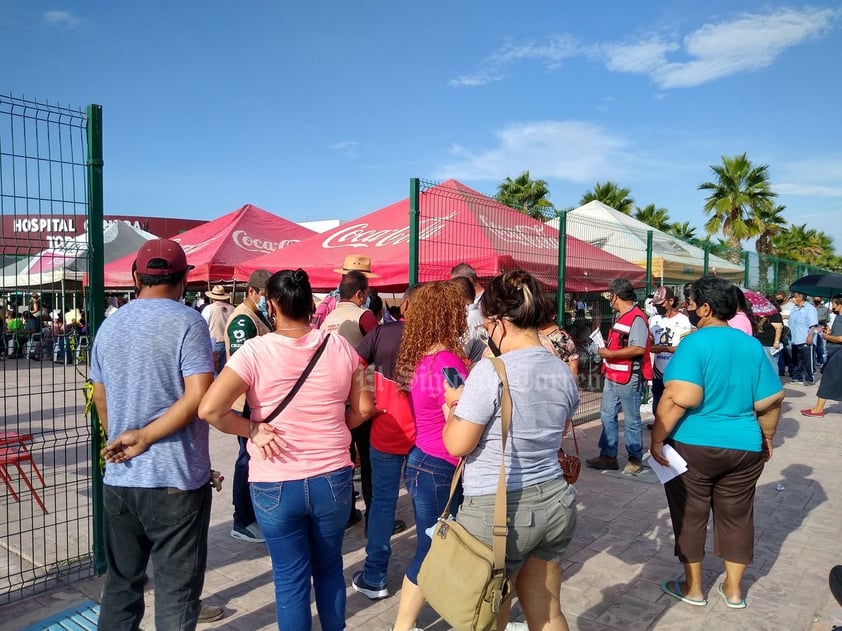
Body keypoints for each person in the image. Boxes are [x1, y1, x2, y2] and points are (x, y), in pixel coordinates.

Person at [199, 268, 374, 631]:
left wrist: (251, 428)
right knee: (329, 570)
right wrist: (335, 426)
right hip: (332, 479)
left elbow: (209, 409)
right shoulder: (339, 346)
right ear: (310, 303)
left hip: (275, 483)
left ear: (272, 304)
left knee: (290, 580)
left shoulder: (254, 352)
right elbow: (365, 408)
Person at [442, 270, 580, 631]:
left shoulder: (491, 371)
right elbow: (558, 427)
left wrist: (453, 411)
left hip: (497, 509)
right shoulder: (562, 370)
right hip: (554, 499)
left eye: (486, 325)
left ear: (499, 323)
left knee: (486, 615)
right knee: (547, 611)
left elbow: (457, 444)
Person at [91, 239, 216, 630]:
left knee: (121, 587)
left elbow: (99, 395)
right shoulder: (188, 322)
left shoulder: (110, 326)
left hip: (121, 479)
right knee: (176, 594)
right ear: (183, 279)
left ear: (135, 278)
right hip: (174, 482)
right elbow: (198, 396)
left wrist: (124, 440)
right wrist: (144, 437)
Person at [650, 276, 784, 609]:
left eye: (691, 303)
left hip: (694, 446)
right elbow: (771, 400)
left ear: (706, 308)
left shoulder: (694, 343)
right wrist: (767, 437)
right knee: (738, 517)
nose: (688, 308)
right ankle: (734, 590)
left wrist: (656, 439)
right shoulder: (750, 345)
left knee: (690, 515)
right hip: (745, 446)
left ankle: (694, 588)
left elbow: (680, 397)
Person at [390, 281, 469, 631]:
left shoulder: (419, 359)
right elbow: (460, 418)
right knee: (432, 550)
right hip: (442, 467)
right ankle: (404, 626)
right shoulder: (448, 363)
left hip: (422, 461)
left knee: (431, 547)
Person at [350, 285, 420, 601]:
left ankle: (376, 575)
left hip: (387, 430)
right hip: (429, 439)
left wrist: (370, 396)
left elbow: (354, 365)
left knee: (382, 504)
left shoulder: (382, 334)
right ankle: (431, 579)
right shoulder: (441, 342)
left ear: (404, 306)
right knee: (428, 508)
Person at [321, 269, 379, 527]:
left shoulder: (327, 319)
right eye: (366, 293)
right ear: (359, 294)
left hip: (334, 399)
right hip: (362, 397)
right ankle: (373, 517)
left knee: (344, 460)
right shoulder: (364, 316)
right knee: (368, 460)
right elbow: (380, 345)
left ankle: (345, 514)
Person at [224, 269, 272, 543]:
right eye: (264, 294)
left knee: (252, 458)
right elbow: (244, 364)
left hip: (257, 400)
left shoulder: (258, 315)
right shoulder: (243, 319)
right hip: (245, 402)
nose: (267, 299)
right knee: (245, 460)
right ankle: (241, 519)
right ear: (252, 291)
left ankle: (251, 514)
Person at [586, 278, 652, 475]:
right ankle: (608, 456)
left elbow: (638, 348)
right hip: (613, 374)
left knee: (631, 420)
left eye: (610, 296)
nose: (609, 300)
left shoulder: (636, 318)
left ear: (616, 296)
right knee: (607, 415)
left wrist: (610, 354)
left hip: (628, 376)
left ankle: (635, 459)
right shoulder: (622, 316)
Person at [647, 286, 693, 429]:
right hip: (658, 371)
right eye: (655, 305)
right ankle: (659, 425)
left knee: (675, 404)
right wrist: (665, 348)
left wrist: (664, 348)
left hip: (676, 371)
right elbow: (650, 345)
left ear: (671, 301)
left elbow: (684, 349)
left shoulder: (684, 320)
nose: (657, 307)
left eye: (661, 304)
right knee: (657, 403)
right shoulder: (653, 320)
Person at [802, 294, 842, 417]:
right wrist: (830, 332)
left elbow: (840, 338)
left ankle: (818, 409)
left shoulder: (841, 318)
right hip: (835, 351)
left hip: (838, 353)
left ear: (840, 305)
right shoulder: (838, 317)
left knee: (827, 379)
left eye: (834, 304)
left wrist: (827, 336)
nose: (832, 307)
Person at [788, 291, 819, 385]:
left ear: (800, 297)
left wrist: (810, 335)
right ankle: (797, 377)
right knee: (797, 360)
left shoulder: (810, 309)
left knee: (807, 360)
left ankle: (809, 378)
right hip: (795, 339)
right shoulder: (794, 308)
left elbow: (813, 324)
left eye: (795, 296)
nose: (793, 298)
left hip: (805, 338)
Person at [203, 285, 234, 374]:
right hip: (229, 342)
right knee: (227, 370)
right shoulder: (232, 308)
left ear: (212, 298)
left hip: (214, 342)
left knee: (214, 370)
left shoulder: (209, 309)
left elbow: (204, 326)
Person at [755, 298, 785, 368]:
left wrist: (776, 342)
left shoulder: (774, 315)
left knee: (772, 365)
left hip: (769, 344)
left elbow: (779, 328)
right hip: (761, 343)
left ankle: (774, 378)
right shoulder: (760, 315)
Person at [813, 296, 829, 366]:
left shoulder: (825, 309)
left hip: (820, 328)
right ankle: (814, 361)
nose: (816, 299)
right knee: (813, 346)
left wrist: (820, 321)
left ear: (821, 299)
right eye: (815, 298)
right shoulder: (810, 308)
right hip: (812, 328)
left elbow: (827, 319)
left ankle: (822, 362)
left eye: (818, 298)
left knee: (821, 346)